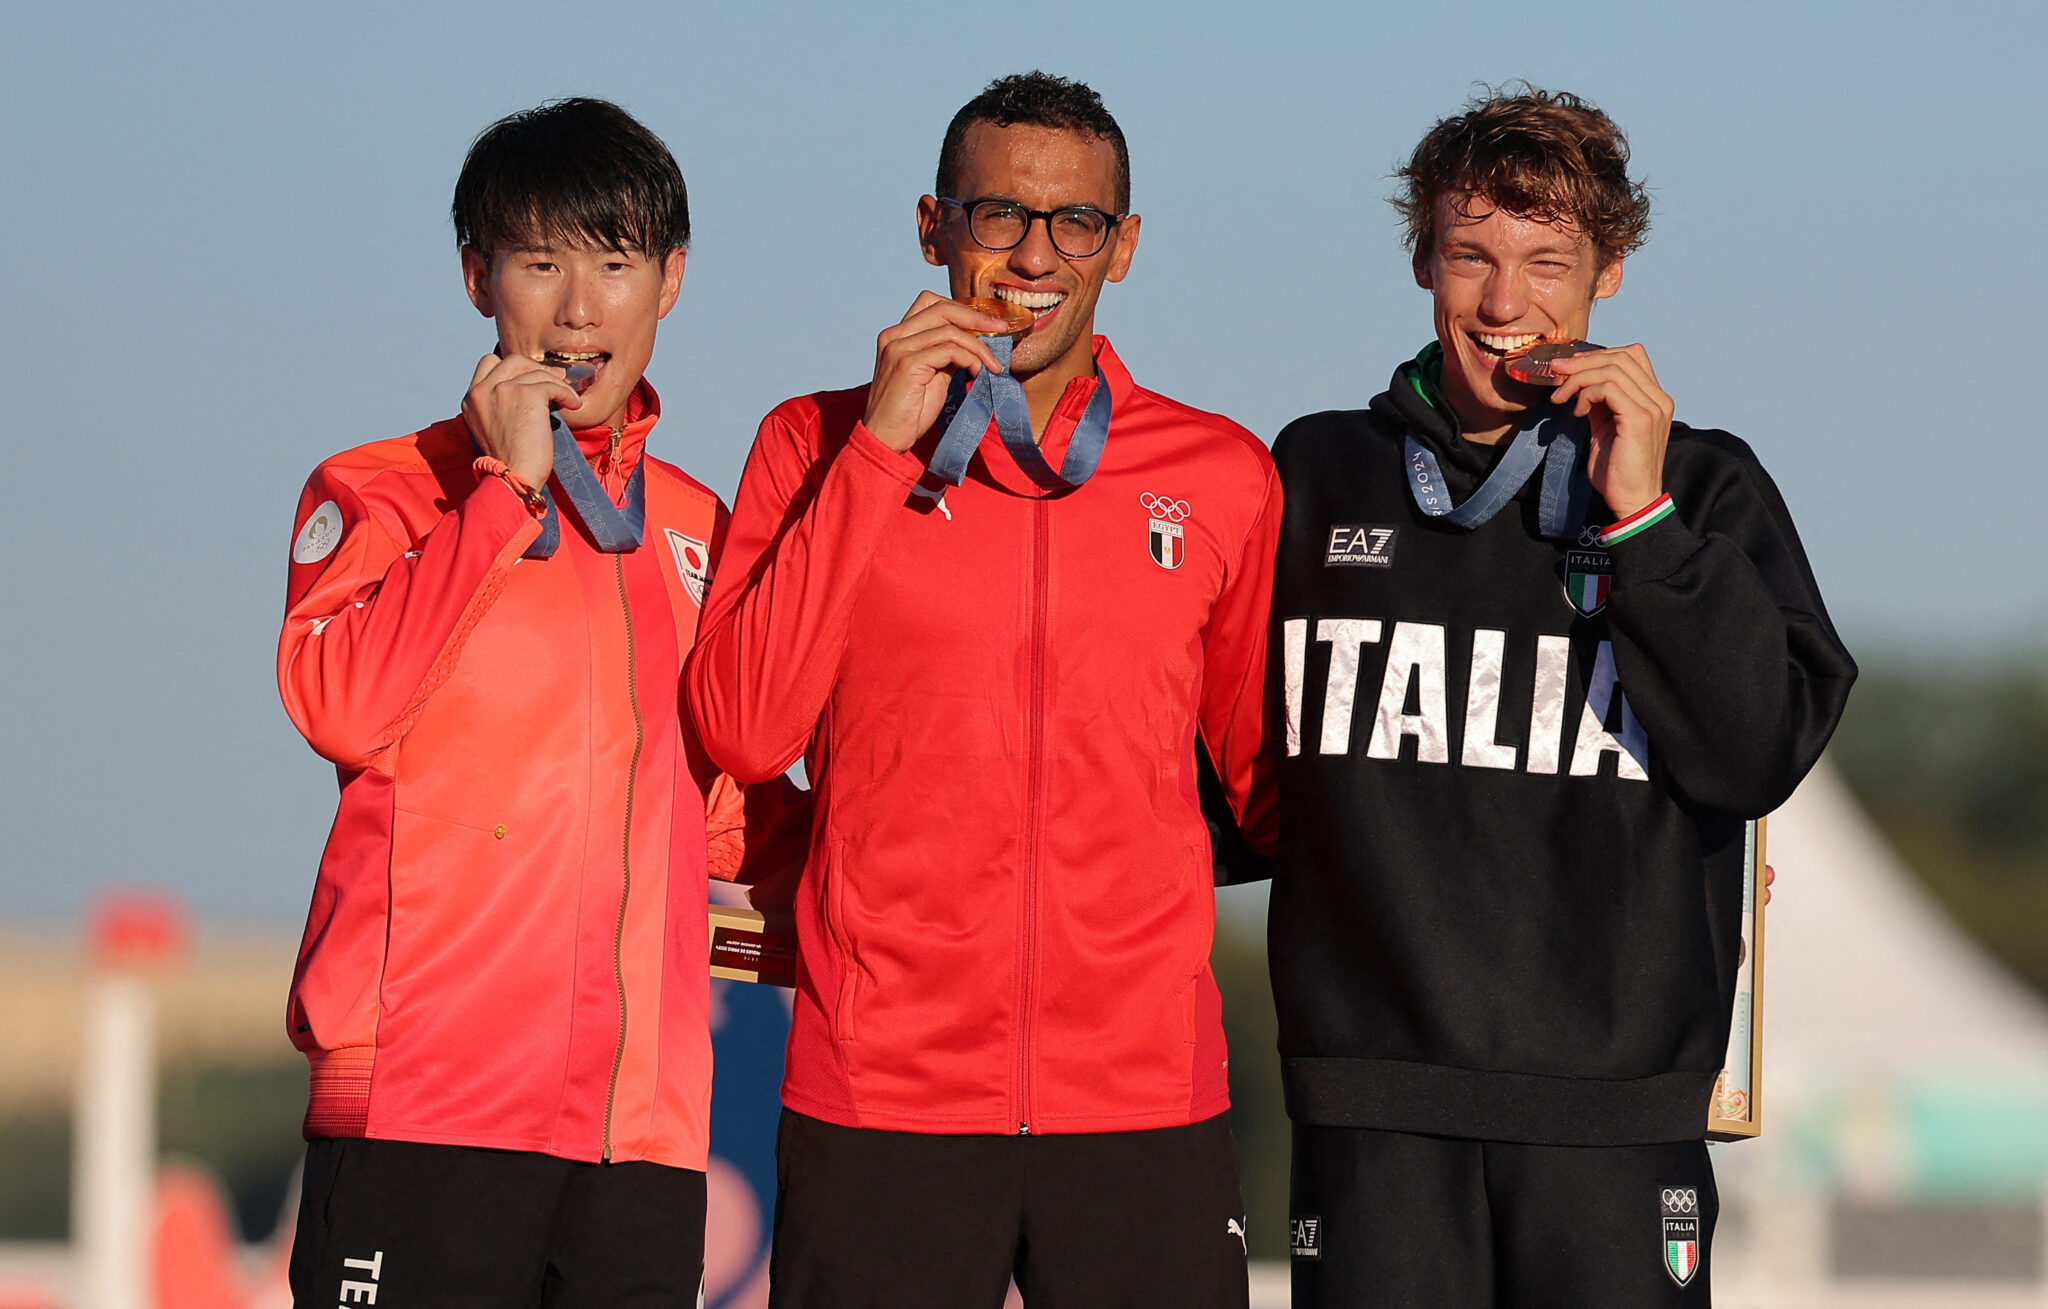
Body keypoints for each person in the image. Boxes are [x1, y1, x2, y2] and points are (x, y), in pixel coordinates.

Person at [686, 71, 1278, 1309]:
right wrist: (876, 452)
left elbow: (1271, 792)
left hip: (1144, 1100)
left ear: (1124, 245)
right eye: (997, 215)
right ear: (932, 228)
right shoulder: (810, 442)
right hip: (881, 1090)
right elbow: (744, 723)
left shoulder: (1218, 474)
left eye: (1075, 222)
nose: (1034, 255)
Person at [1262, 86, 1856, 1306]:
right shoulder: (1314, 471)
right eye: (1469, 253)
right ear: (1422, 255)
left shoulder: (1704, 485)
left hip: (1613, 1118)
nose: (1501, 303)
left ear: (1610, 270)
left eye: (1545, 260)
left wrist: (1639, 516)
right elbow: (1210, 764)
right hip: (1370, 1108)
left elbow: (1755, 755)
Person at [276, 97, 801, 1307]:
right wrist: (502, 497)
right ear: (476, 277)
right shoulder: (380, 492)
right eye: (539, 261)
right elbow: (341, 707)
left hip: (641, 1139)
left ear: (669, 281)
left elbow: (725, 818)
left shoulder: (696, 529)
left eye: (614, 264)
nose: (578, 309)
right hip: (422, 1112)